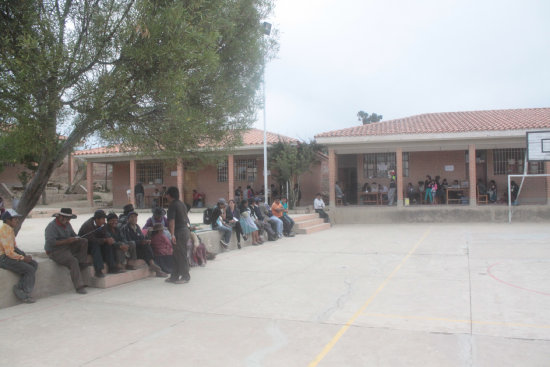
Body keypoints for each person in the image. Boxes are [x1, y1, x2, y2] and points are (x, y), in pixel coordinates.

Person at [44, 208, 88, 294]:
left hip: (67, 247)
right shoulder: (51, 227)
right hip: (55, 251)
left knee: (84, 241)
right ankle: (79, 286)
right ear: (59, 216)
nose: (67, 220)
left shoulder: (68, 225)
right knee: (73, 261)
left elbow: (74, 235)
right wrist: (67, 241)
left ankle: (81, 264)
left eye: (69, 218)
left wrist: (76, 238)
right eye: (65, 217)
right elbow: (51, 242)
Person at [0, 209, 38, 303]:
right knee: (29, 269)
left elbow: (14, 247)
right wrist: (22, 258)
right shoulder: (4, 231)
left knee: (34, 264)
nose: (17, 221)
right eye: (15, 219)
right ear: (8, 220)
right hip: (3, 258)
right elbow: (9, 252)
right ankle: (22, 292)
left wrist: (24, 255)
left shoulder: (9, 229)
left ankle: (22, 286)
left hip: (7, 256)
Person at [120, 211, 167, 277]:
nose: (134, 219)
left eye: (135, 217)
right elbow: (127, 241)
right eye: (132, 217)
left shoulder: (137, 227)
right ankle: (155, 267)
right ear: (128, 219)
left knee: (147, 246)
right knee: (145, 248)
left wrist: (146, 240)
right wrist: (140, 242)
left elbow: (142, 237)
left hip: (140, 248)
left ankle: (153, 266)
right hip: (132, 250)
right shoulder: (125, 228)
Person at [78, 210, 118, 277]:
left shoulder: (103, 224)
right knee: (95, 246)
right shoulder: (88, 225)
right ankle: (98, 270)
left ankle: (112, 267)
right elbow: (91, 240)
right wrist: (104, 240)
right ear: (96, 219)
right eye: (102, 219)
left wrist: (108, 238)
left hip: (98, 241)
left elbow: (105, 234)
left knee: (108, 245)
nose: (104, 221)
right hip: (86, 245)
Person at [165, 186, 191, 284]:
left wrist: (172, 235)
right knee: (176, 255)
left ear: (169, 195)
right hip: (185, 231)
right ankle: (174, 276)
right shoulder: (182, 204)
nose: (166, 196)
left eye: (167, 194)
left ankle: (185, 276)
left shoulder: (172, 205)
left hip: (179, 232)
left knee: (181, 254)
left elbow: (172, 221)